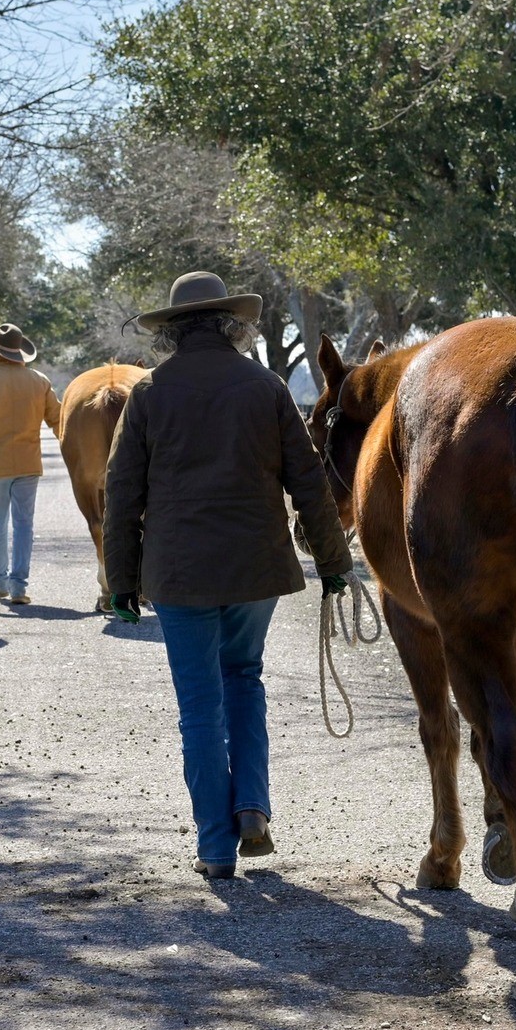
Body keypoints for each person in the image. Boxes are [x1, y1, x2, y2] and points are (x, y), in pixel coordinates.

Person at [103, 271, 353, 881]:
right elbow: (309, 482)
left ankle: (215, 847)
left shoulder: (150, 393)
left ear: (174, 332)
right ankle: (251, 808)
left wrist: (120, 583)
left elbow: (120, 495)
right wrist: (333, 563)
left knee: (199, 706)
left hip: (180, 574)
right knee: (244, 678)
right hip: (255, 570)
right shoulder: (265, 386)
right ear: (231, 326)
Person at [0, 323, 63, 605]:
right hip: (29, 463)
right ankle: (18, 587)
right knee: (24, 525)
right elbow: (58, 421)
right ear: (19, 352)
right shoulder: (40, 381)